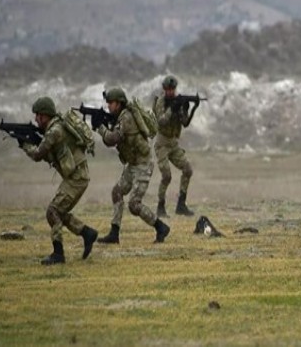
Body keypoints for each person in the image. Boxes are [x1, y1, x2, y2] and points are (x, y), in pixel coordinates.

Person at [22, 97, 98, 265]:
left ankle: (58, 254)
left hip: (76, 178)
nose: (36, 119)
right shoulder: (56, 127)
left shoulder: (54, 131)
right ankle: (87, 233)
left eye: (38, 116)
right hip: (77, 176)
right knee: (59, 212)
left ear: (45, 115)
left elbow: (37, 155)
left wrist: (25, 144)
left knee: (53, 212)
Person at [95, 87, 170, 244]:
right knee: (117, 192)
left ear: (119, 103)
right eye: (107, 103)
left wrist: (101, 129)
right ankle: (114, 234)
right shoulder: (121, 117)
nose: (109, 106)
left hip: (143, 164)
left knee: (134, 204)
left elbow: (112, 139)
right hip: (133, 164)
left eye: (111, 103)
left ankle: (161, 227)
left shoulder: (126, 118)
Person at [152, 75, 198, 217]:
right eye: (168, 89)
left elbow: (185, 123)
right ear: (164, 89)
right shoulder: (160, 102)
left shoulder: (176, 101)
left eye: (173, 89)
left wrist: (190, 109)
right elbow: (161, 121)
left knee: (188, 170)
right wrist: (173, 108)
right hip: (162, 144)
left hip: (173, 143)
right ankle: (160, 207)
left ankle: (181, 205)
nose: (171, 92)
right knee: (166, 176)